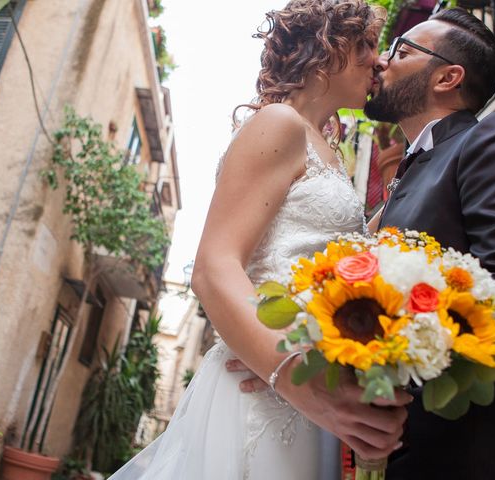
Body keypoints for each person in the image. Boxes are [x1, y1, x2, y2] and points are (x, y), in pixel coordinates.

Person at [108, 2, 410, 479]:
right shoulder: (279, 124)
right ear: (325, 49)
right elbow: (214, 267)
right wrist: (294, 378)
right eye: (367, 45)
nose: (379, 60)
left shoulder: (326, 149)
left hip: (307, 401)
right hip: (269, 395)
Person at [363, 7, 495, 479]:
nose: (380, 62)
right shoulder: (412, 173)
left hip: (478, 458)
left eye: (401, 50)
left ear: (447, 77)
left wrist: (372, 345)